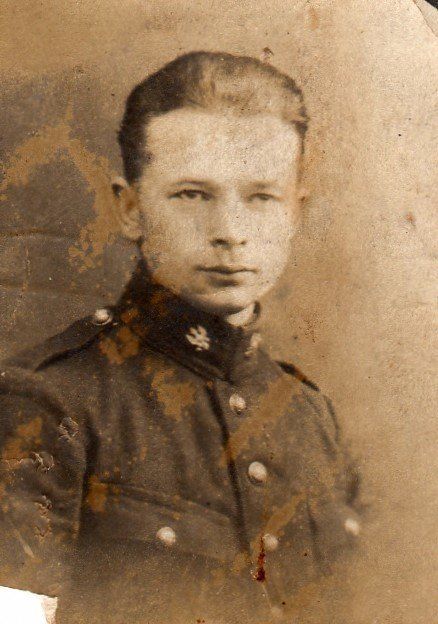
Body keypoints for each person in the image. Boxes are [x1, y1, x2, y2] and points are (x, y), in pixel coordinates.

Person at [0, 51, 362, 623]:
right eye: (193, 194)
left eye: (262, 197)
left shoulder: (310, 417)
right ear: (130, 208)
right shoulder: (51, 399)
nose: (231, 232)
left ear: (295, 212)